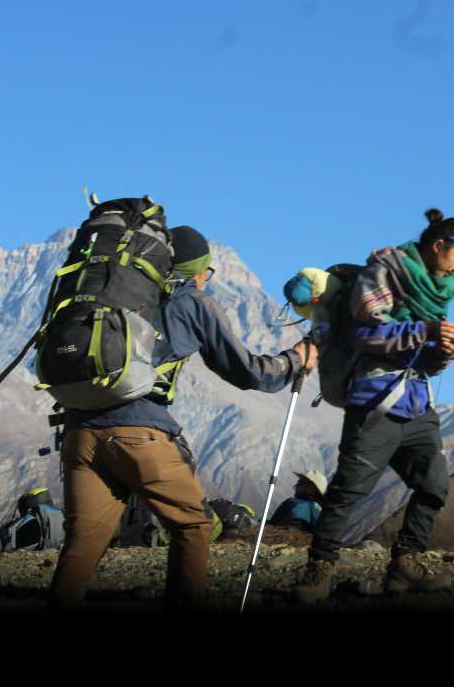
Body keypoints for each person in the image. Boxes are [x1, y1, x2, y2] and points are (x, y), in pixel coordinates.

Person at [48, 225, 317, 609]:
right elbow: (249, 373)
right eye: (208, 272)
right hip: (140, 433)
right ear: (198, 271)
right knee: (192, 526)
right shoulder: (192, 302)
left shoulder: (119, 298)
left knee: (83, 542)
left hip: (79, 433)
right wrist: (296, 359)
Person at [293, 208, 454, 603]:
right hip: (374, 399)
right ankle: (318, 571)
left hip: (416, 402)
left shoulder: (439, 291)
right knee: (347, 491)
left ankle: (405, 564)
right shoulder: (384, 272)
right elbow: (364, 332)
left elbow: (426, 355)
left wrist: (442, 352)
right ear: (438, 247)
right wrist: (424, 330)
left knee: (434, 485)